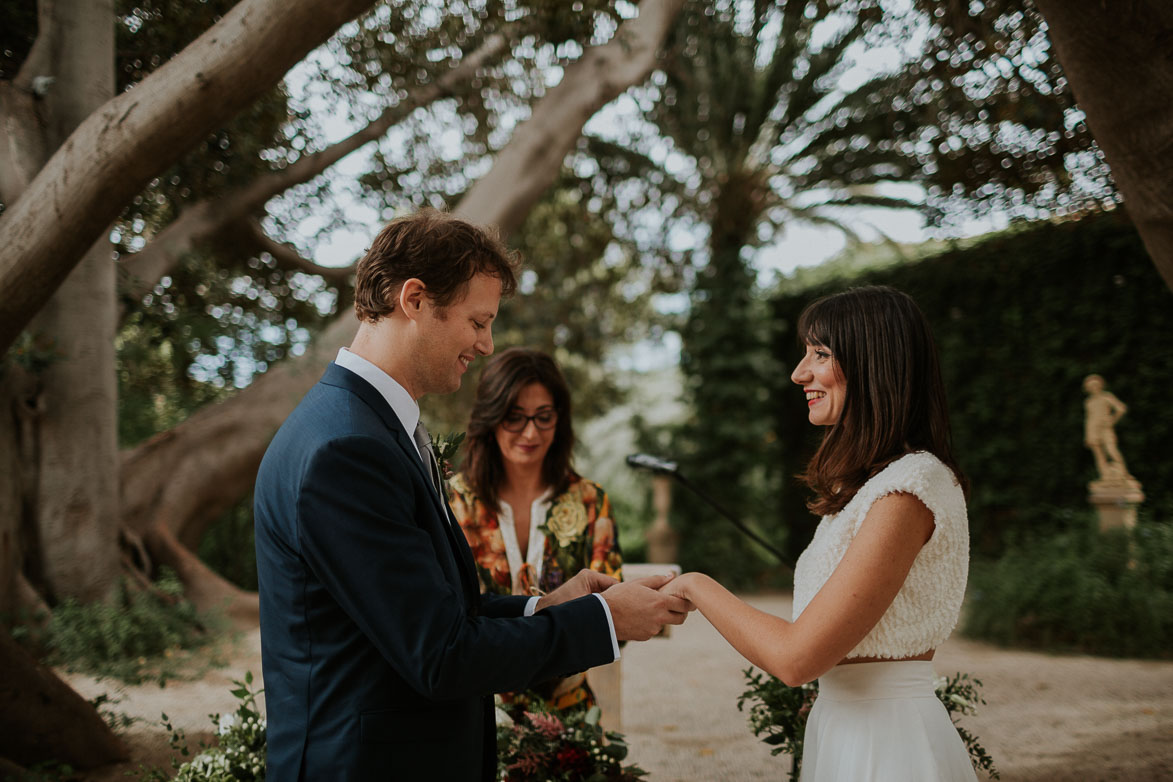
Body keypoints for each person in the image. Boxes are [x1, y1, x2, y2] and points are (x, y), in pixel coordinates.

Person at [253, 209, 691, 781]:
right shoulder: (346, 449)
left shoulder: (369, 427)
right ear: (414, 299)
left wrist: (550, 605)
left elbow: (435, 613)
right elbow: (440, 655)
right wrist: (603, 621)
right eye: (478, 321)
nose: (487, 346)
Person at [658, 285, 978, 781]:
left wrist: (694, 584)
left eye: (820, 353)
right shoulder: (868, 489)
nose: (799, 372)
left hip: (888, 745)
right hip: (844, 727)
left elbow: (796, 657)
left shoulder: (910, 488)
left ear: (873, 363)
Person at [447, 347, 623, 717]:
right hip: (478, 712)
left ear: (560, 421)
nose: (531, 432)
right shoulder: (452, 502)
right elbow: (447, 619)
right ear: (490, 418)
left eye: (544, 417)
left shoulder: (590, 501)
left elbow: (614, 610)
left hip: (571, 714)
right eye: (515, 417)